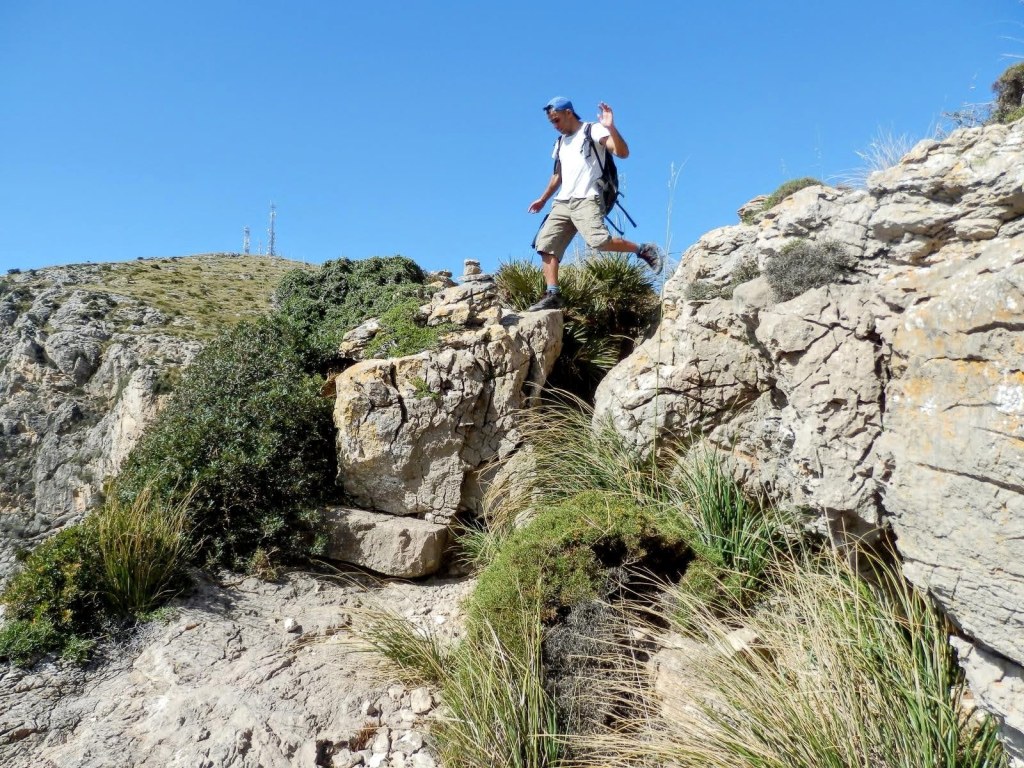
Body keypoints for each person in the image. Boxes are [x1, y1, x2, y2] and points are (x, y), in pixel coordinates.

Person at [526, 96, 663, 312]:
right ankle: (553, 294)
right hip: (562, 202)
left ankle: (642, 249)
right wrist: (543, 199)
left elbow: (622, 153)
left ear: (568, 113)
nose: (555, 125)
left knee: (598, 242)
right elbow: (557, 176)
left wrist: (611, 128)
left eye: (556, 120)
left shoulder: (593, 130)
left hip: (588, 198)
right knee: (545, 245)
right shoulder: (560, 142)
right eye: (552, 122)